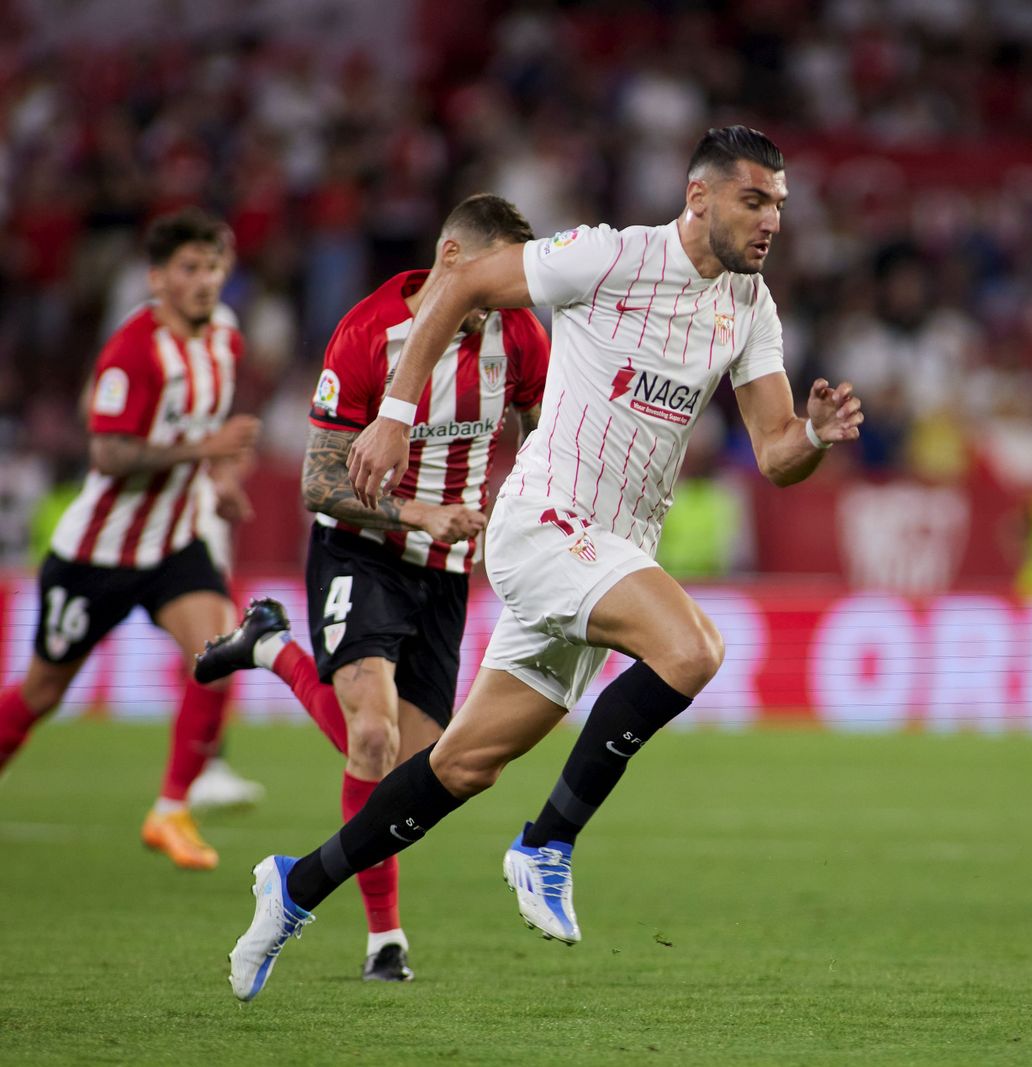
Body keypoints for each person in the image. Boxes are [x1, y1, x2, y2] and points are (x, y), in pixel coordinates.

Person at [226, 125, 863, 1001]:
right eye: (755, 201)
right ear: (700, 197)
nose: (771, 223)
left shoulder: (751, 308)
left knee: (458, 766)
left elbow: (776, 451)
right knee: (694, 649)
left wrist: (816, 438)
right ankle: (547, 843)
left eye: (780, 206)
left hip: (609, 553)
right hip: (543, 526)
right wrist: (396, 414)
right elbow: (458, 282)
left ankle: (293, 888)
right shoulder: (606, 259)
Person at [195, 194, 550, 982]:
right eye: (502, 274)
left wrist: (525, 505)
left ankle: (271, 646)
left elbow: (539, 426)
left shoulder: (518, 332)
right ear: (455, 260)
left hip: (448, 570)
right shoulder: (365, 332)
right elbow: (320, 482)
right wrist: (419, 510)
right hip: (364, 550)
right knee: (372, 736)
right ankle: (384, 940)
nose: (513, 294)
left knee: (414, 770)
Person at [0, 208, 260, 871]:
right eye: (190, 269)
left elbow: (216, 423)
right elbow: (110, 454)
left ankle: (170, 810)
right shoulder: (134, 349)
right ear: (157, 278)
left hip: (174, 543)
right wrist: (204, 448)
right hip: (97, 555)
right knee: (41, 692)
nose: (206, 281)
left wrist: (222, 476)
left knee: (220, 654)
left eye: (214, 267)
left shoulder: (225, 336)